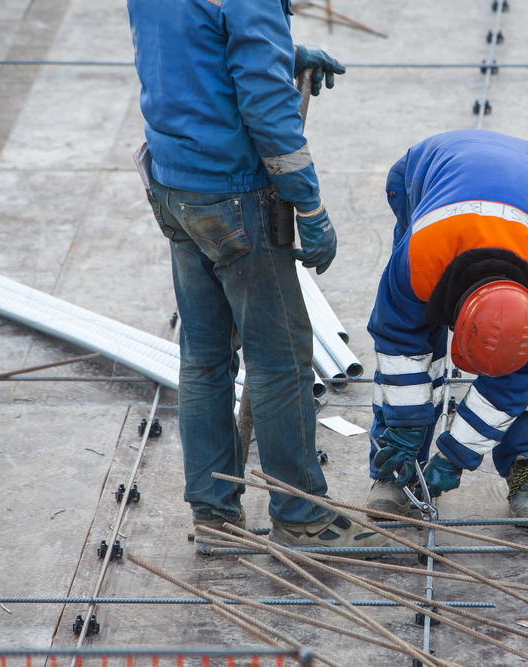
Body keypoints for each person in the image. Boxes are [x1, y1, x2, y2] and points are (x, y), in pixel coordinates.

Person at [127, 0, 386, 552]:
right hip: (233, 193)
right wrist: (309, 207)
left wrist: (278, 51)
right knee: (281, 359)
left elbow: (183, 48)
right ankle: (302, 517)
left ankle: (214, 514)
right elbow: (268, 107)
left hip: (173, 183)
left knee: (203, 355)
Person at [366, 129, 528, 524]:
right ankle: (395, 460)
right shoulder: (420, 259)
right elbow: (397, 343)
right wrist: (406, 427)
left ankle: (527, 464)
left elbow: (514, 385)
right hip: (426, 171)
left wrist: (457, 453)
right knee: (409, 355)